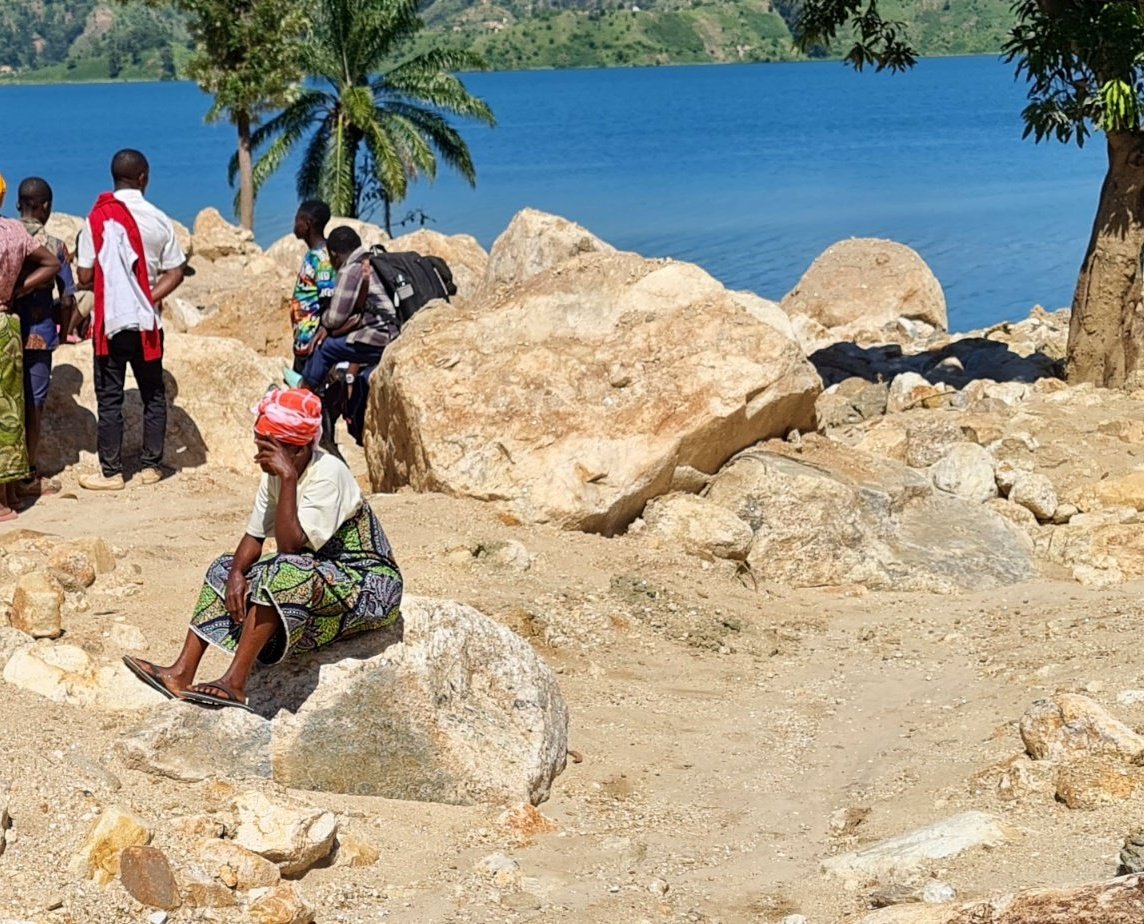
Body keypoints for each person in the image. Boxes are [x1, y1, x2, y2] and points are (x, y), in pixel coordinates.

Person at [122, 388, 403, 711]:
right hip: (319, 576)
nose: (258, 458)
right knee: (224, 567)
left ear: (295, 450)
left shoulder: (329, 474)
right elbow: (254, 537)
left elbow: (291, 547)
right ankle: (181, 673)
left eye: (265, 449)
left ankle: (235, 683)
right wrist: (236, 575)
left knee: (286, 571)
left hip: (368, 588)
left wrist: (287, 479)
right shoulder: (276, 475)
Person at [75, 149, 186, 491]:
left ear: (113, 178)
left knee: (110, 397)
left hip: (111, 323)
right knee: (153, 392)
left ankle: (111, 473)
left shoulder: (96, 219)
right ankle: (151, 466)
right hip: (147, 322)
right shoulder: (159, 219)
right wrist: (146, 297)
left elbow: (83, 272)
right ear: (144, 178)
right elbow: (177, 270)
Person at [0, 171, 60, 521]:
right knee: (10, 412)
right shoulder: (13, 231)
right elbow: (51, 263)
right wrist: (19, 288)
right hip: (8, 324)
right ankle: (9, 497)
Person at [14, 177, 77, 497]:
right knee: (33, 404)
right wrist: (64, 332)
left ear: (17, 204)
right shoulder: (54, 246)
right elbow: (68, 297)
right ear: (47, 207)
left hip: (7, 329)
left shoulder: (7, 236)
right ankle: (28, 473)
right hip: (38, 336)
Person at [300, 226, 398, 392]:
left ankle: (302, 394)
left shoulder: (351, 271)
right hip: (395, 332)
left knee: (324, 349)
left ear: (333, 254)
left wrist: (323, 323)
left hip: (379, 337)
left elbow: (334, 319)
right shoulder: (374, 260)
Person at [288, 200, 335, 374]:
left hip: (313, 342)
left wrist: (324, 331)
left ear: (307, 224)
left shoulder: (323, 259)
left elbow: (328, 298)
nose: (294, 225)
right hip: (303, 339)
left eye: (297, 220)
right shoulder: (313, 254)